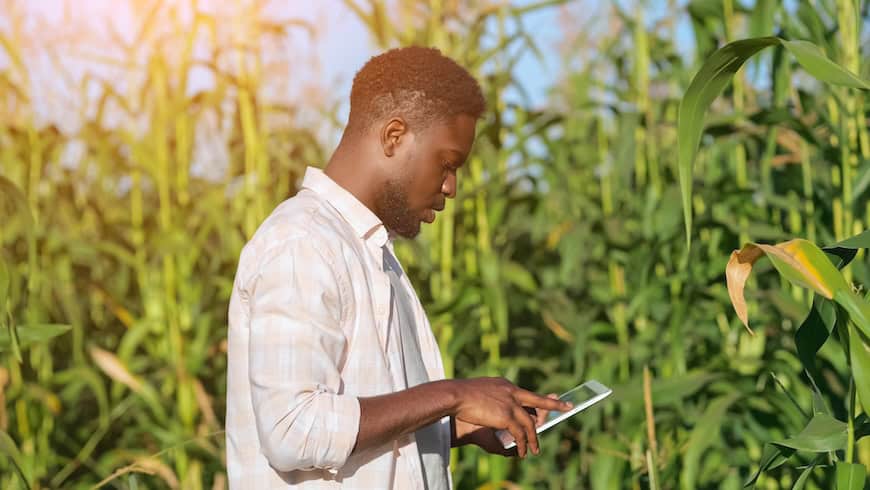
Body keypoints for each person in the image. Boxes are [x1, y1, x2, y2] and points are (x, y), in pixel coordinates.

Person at [226, 46, 570, 489]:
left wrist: (459, 425)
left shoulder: (372, 253)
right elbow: (293, 430)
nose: (451, 186)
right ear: (393, 136)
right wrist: (453, 396)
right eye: (447, 164)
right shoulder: (302, 242)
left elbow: (364, 419)